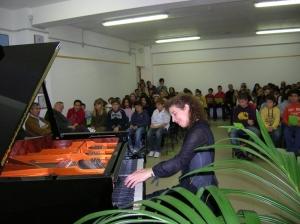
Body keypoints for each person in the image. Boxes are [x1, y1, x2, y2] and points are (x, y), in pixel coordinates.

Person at [125, 94, 217, 196]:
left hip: (198, 193)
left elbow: (180, 161)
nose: (173, 119)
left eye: (174, 114)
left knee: (148, 202)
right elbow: (183, 158)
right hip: (190, 185)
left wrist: (151, 171)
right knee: (151, 198)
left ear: (186, 108)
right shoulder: (197, 126)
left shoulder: (199, 131)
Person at [230, 92, 260, 159]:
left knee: (257, 132)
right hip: (239, 127)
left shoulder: (252, 108)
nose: (241, 104)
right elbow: (235, 120)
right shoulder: (237, 109)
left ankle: (248, 150)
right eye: (239, 102)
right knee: (232, 133)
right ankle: (239, 152)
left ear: (247, 101)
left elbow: (253, 120)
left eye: (242, 102)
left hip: (250, 128)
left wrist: (246, 122)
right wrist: (246, 121)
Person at [282, 89, 300, 154]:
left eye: (295, 96)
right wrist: (288, 123)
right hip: (290, 126)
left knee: (299, 133)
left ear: (298, 97)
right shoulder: (287, 107)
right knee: (286, 132)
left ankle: (295, 150)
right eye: (292, 96)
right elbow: (284, 118)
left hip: (299, 126)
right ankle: (290, 150)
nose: (293, 98)